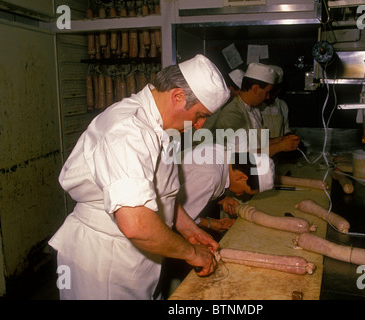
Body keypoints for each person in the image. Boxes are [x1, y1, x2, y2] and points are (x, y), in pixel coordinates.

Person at [48, 54, 230, 300]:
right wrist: (191, 253)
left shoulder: (159, 127)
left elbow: (157, 193)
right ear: (177, 96)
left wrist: (188, 229)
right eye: (199, 115)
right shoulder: (127, 130)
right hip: (105, 262)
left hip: (135, 258)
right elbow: (137, 224)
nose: (199, 125)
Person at [205, 62, 300, 157]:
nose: (268, 97)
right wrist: (279, 147)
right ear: (255, 89)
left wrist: (280, 140)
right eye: (267, 93)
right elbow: (241, 157)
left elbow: (258, 144)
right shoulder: (232, 115)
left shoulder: (255, 110)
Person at [177, 142, 275, 235]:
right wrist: (209, 223)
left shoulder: (224, 153)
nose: (238, 195)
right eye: (244, 191)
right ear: (241, 177)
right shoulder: (211, 176)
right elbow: (178, 215)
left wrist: (222, 198)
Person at [260, 65, 291, 139]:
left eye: (273, 92)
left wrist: (289, 136)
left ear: (279, 90)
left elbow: (286, 129)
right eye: (268, 92)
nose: (269, 96)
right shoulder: (255, 106)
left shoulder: (282, 105)